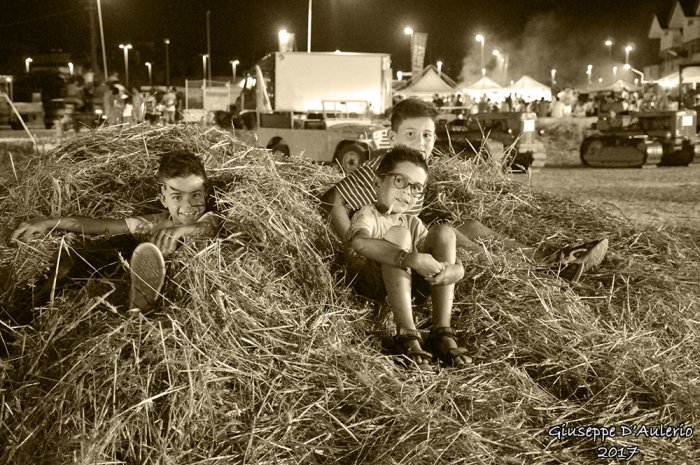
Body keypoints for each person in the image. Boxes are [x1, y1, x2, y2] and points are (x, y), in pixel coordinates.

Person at [320, 98, 607, 288]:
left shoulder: (418, 171)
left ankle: (545, 257)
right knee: (453, 236)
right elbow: (331, 199)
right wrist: (351, 248)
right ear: (393, 137)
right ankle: (539, 267)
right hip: (386, 255)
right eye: (410, 134)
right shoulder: (381, 168)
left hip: (408, 241)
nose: (420, 142)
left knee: (471, 227)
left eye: (427, 135)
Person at [9, 150, 219, 312]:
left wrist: (182, 230)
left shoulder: (208, 218)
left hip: (180, 294)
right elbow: (102, 225)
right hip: (128, 283)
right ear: (163, 198)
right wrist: (49, 222)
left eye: (195, 195)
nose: (188, 206)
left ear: (206, 193)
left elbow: (206, 228)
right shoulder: (154, 222)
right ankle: (30, 316)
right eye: (177, 197)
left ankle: (145, 302)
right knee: (70, 261)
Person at [349, 145, 470, 370]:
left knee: (444, 232)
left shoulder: (413, 222)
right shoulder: (368, 214)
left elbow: (435, 253)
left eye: (416, 188)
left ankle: (441, 330)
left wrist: (457, 270)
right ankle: (406, 333)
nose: (407, 191)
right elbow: (360, 243)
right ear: (377, 183)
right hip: (373, 288)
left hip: (410, 287)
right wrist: (407, 258)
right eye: (400, 181)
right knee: (398, 235)